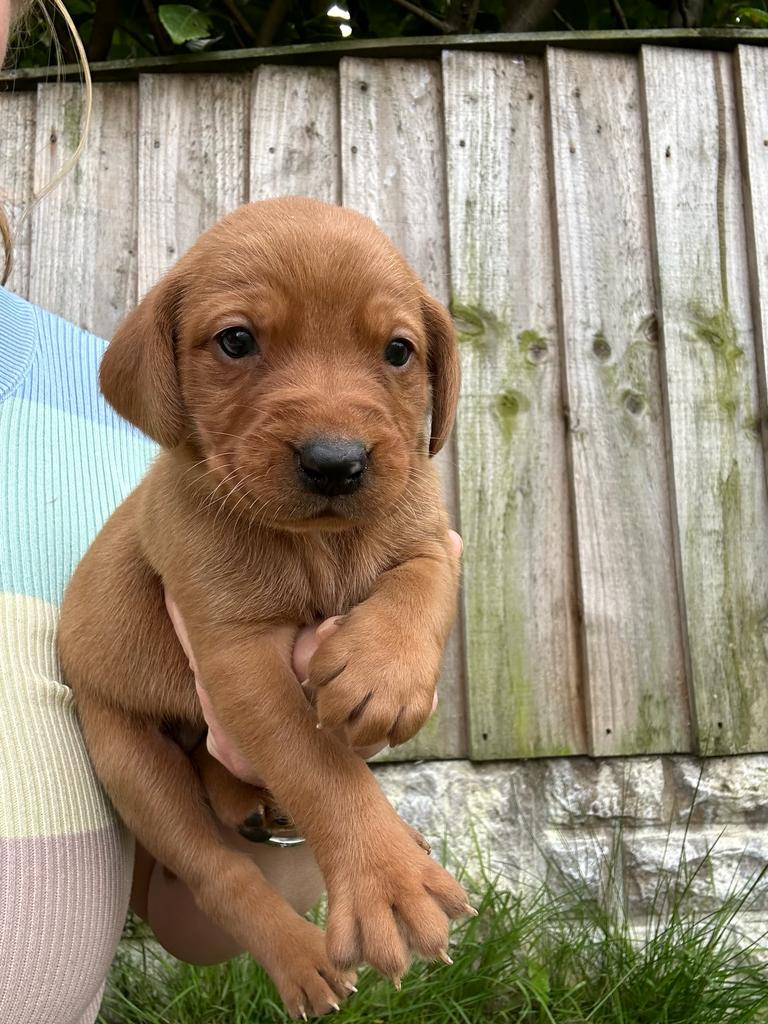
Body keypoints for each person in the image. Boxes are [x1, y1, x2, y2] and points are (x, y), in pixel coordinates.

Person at [0, 4, 461, 1022]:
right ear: (160, 369)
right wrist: (351, 828)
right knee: (190, 830)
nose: (337, 434)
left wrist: (393, 637)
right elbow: (233, 656)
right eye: (241, 343)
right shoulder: (179, 462)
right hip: (129, 703)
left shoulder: (85, 408)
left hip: (228, 777)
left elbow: (431, 552)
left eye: (394, 354)